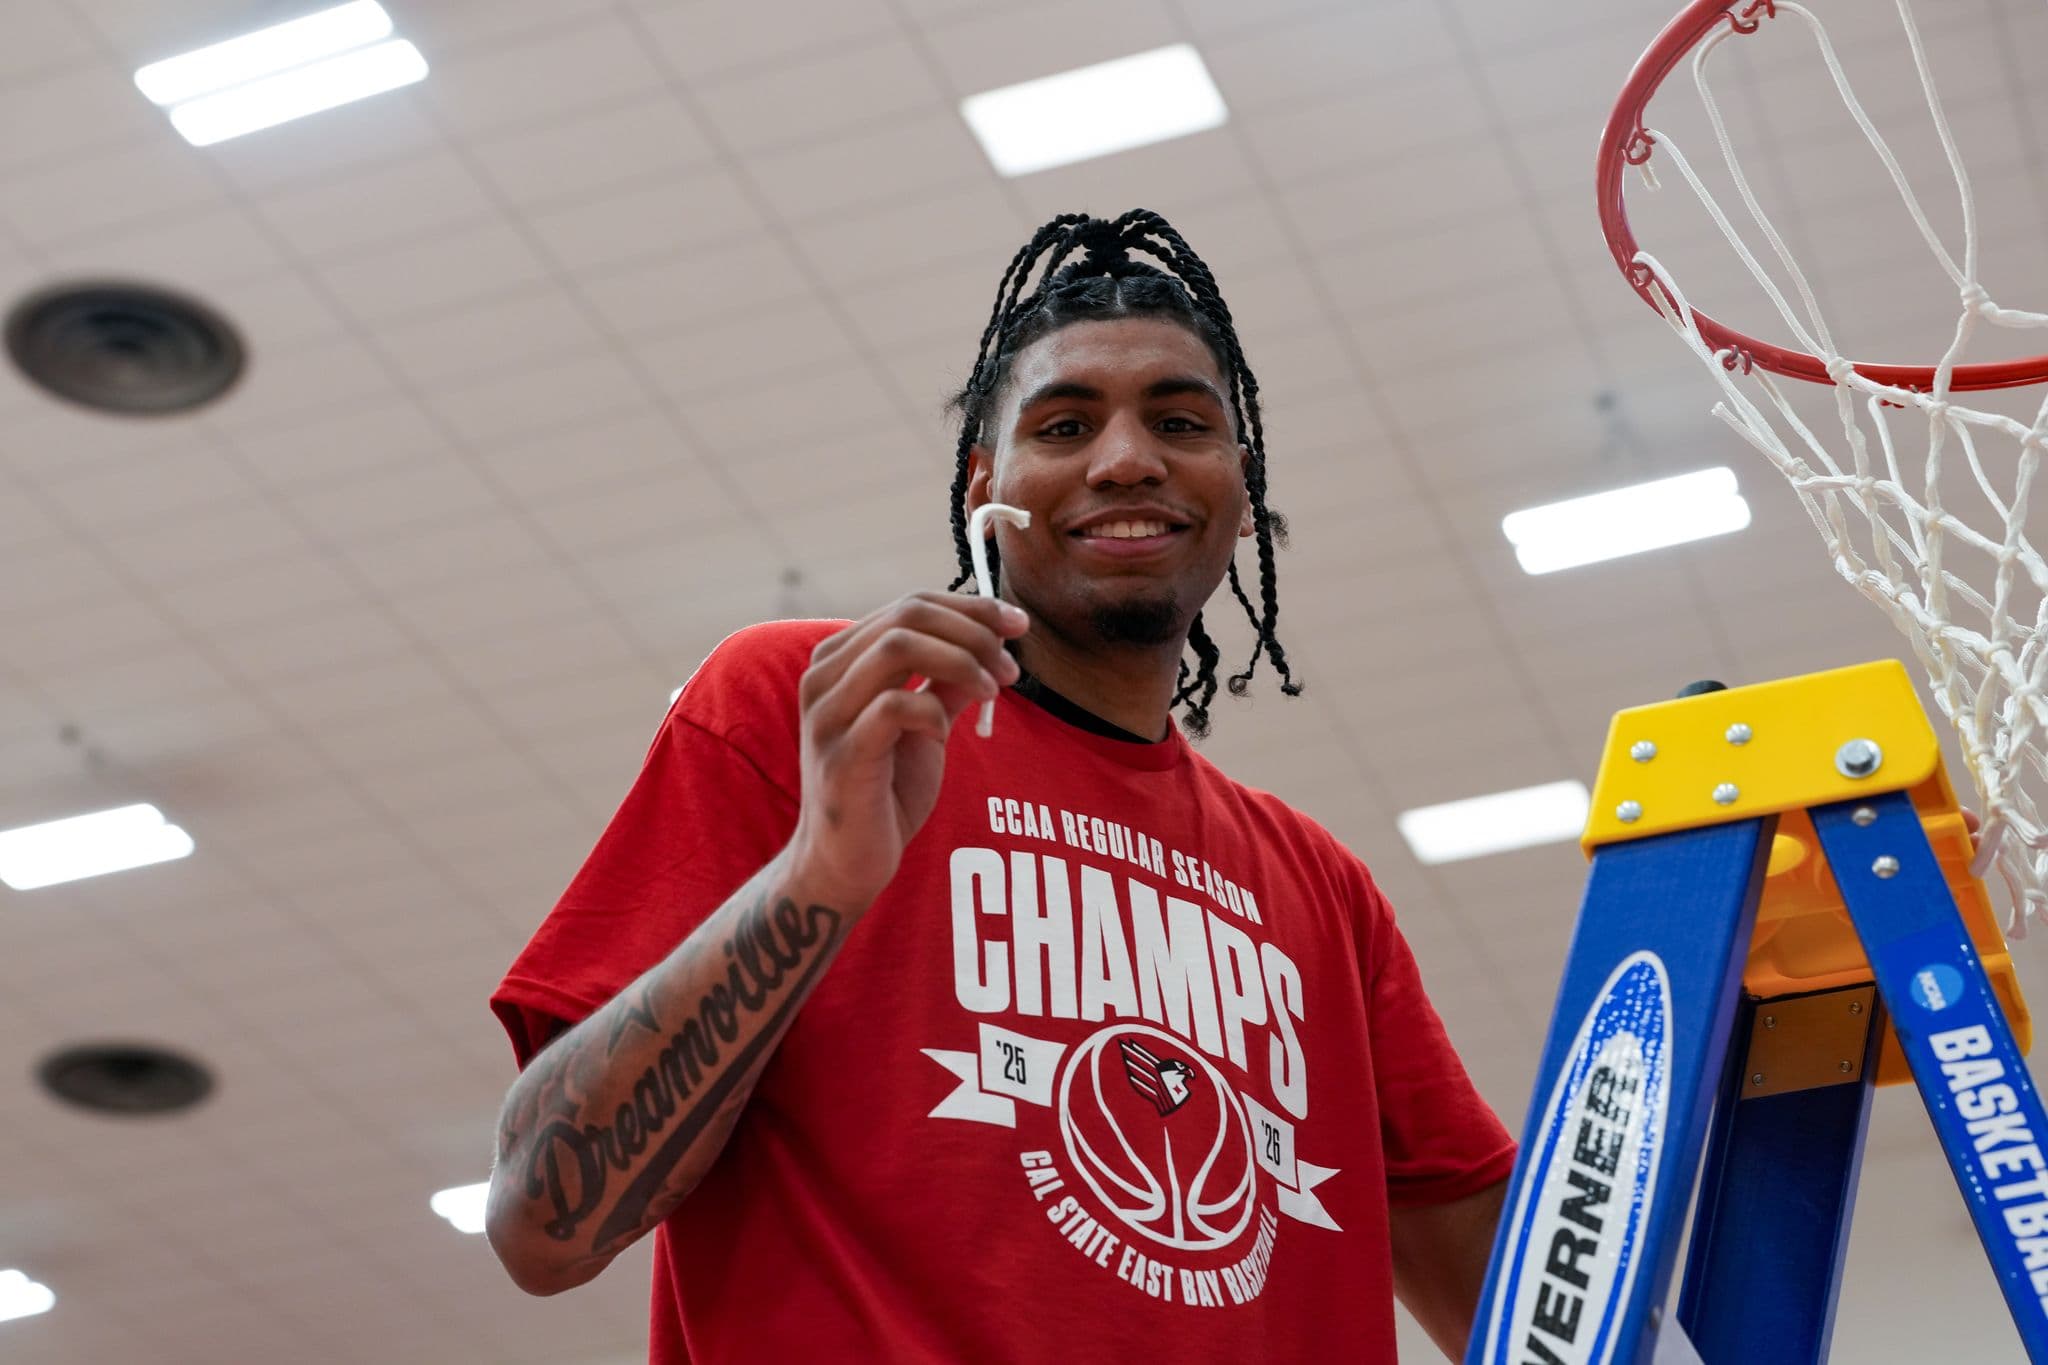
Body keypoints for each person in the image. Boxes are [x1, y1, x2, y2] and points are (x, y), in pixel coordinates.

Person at [484, 209, 1516, 1363]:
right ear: (987, 486)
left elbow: (1534, 1308)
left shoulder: (1321, 890)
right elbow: (543, 1225)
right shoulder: (810, 704)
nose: (1126, 458)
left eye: (1179, 421)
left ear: (1236, 481)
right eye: (1065, 424)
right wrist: (818, 879)